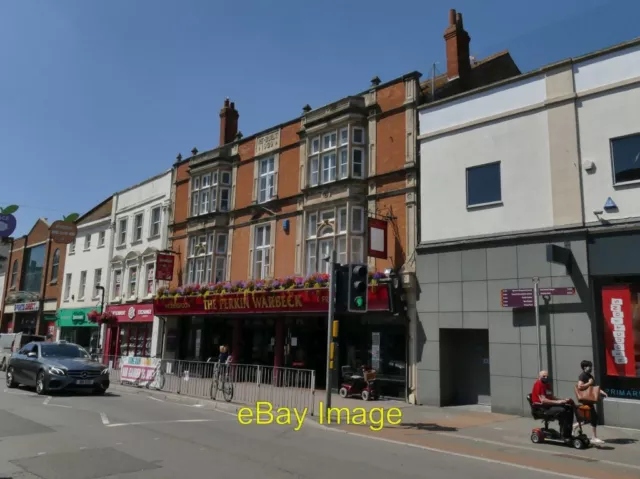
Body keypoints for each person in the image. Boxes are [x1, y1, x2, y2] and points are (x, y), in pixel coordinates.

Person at [531, 370, 575, 440]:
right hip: (542, 408)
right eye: (544, 376)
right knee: (563, 410)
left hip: (549, 406)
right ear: (539, 377)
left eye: (547, 376)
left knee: (569, 408)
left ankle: (567, 432)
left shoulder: (547, 384)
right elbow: (543, 400)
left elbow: (551, 397)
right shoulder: (538, 384)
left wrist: (562, 400)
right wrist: (558, 402)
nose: (546, 377)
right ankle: (564, 434)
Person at [576, 360, 607, 445]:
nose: (591, 368)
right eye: (590, 366)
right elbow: (580, 386)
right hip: (586, 400)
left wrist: (602, 392)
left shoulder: (589, 375)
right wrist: (589, 383)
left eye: (591, 366)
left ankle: (574, 426)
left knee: (588, 418)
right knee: (594, 417)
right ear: (585, 367)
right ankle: (593, 437)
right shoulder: (582, 376)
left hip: (589, 399)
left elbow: (594, 387)